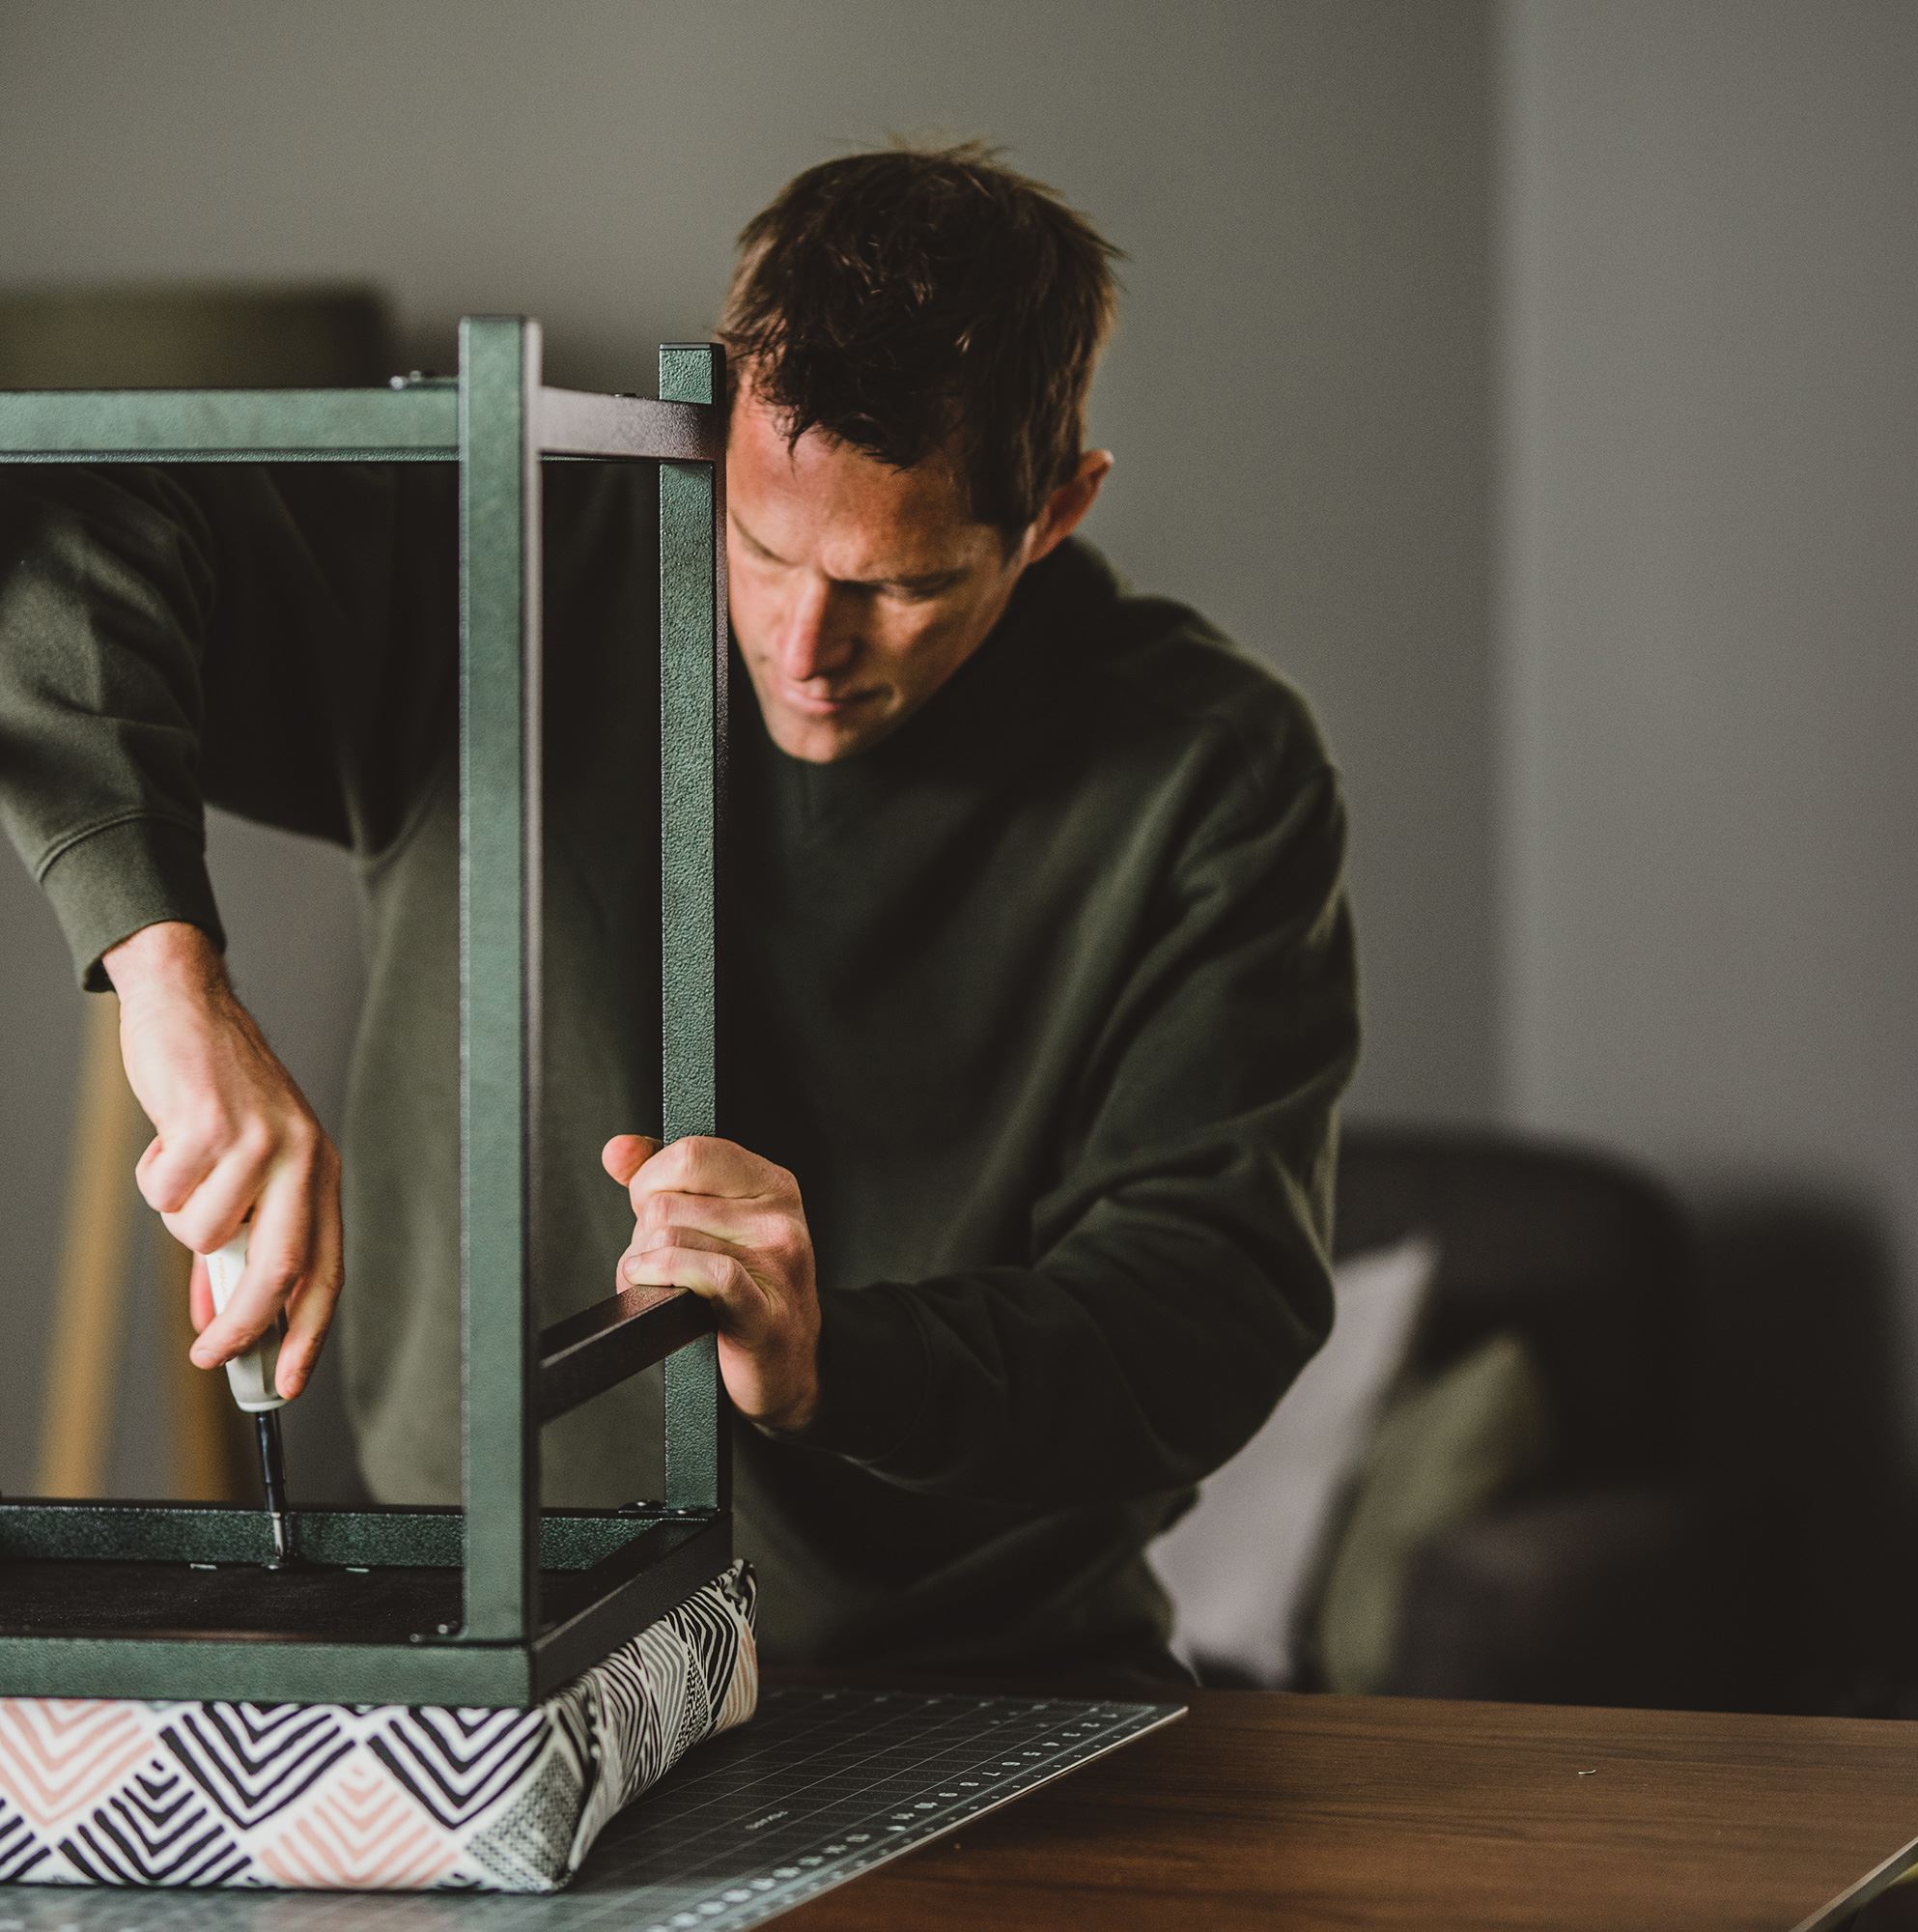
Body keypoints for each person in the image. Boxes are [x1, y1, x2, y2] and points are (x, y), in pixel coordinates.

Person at [0, 144, 1359, 1680]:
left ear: (1054, 514)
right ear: (709, 423)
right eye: (763, 546)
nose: (804, 641)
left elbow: (1207, 1300)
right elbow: (60, 532)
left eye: (901, 585)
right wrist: (168, 979)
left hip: (979, 1673)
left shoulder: (1210, 772)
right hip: (499, 1635)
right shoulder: (501, 580)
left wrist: (840, 1360)